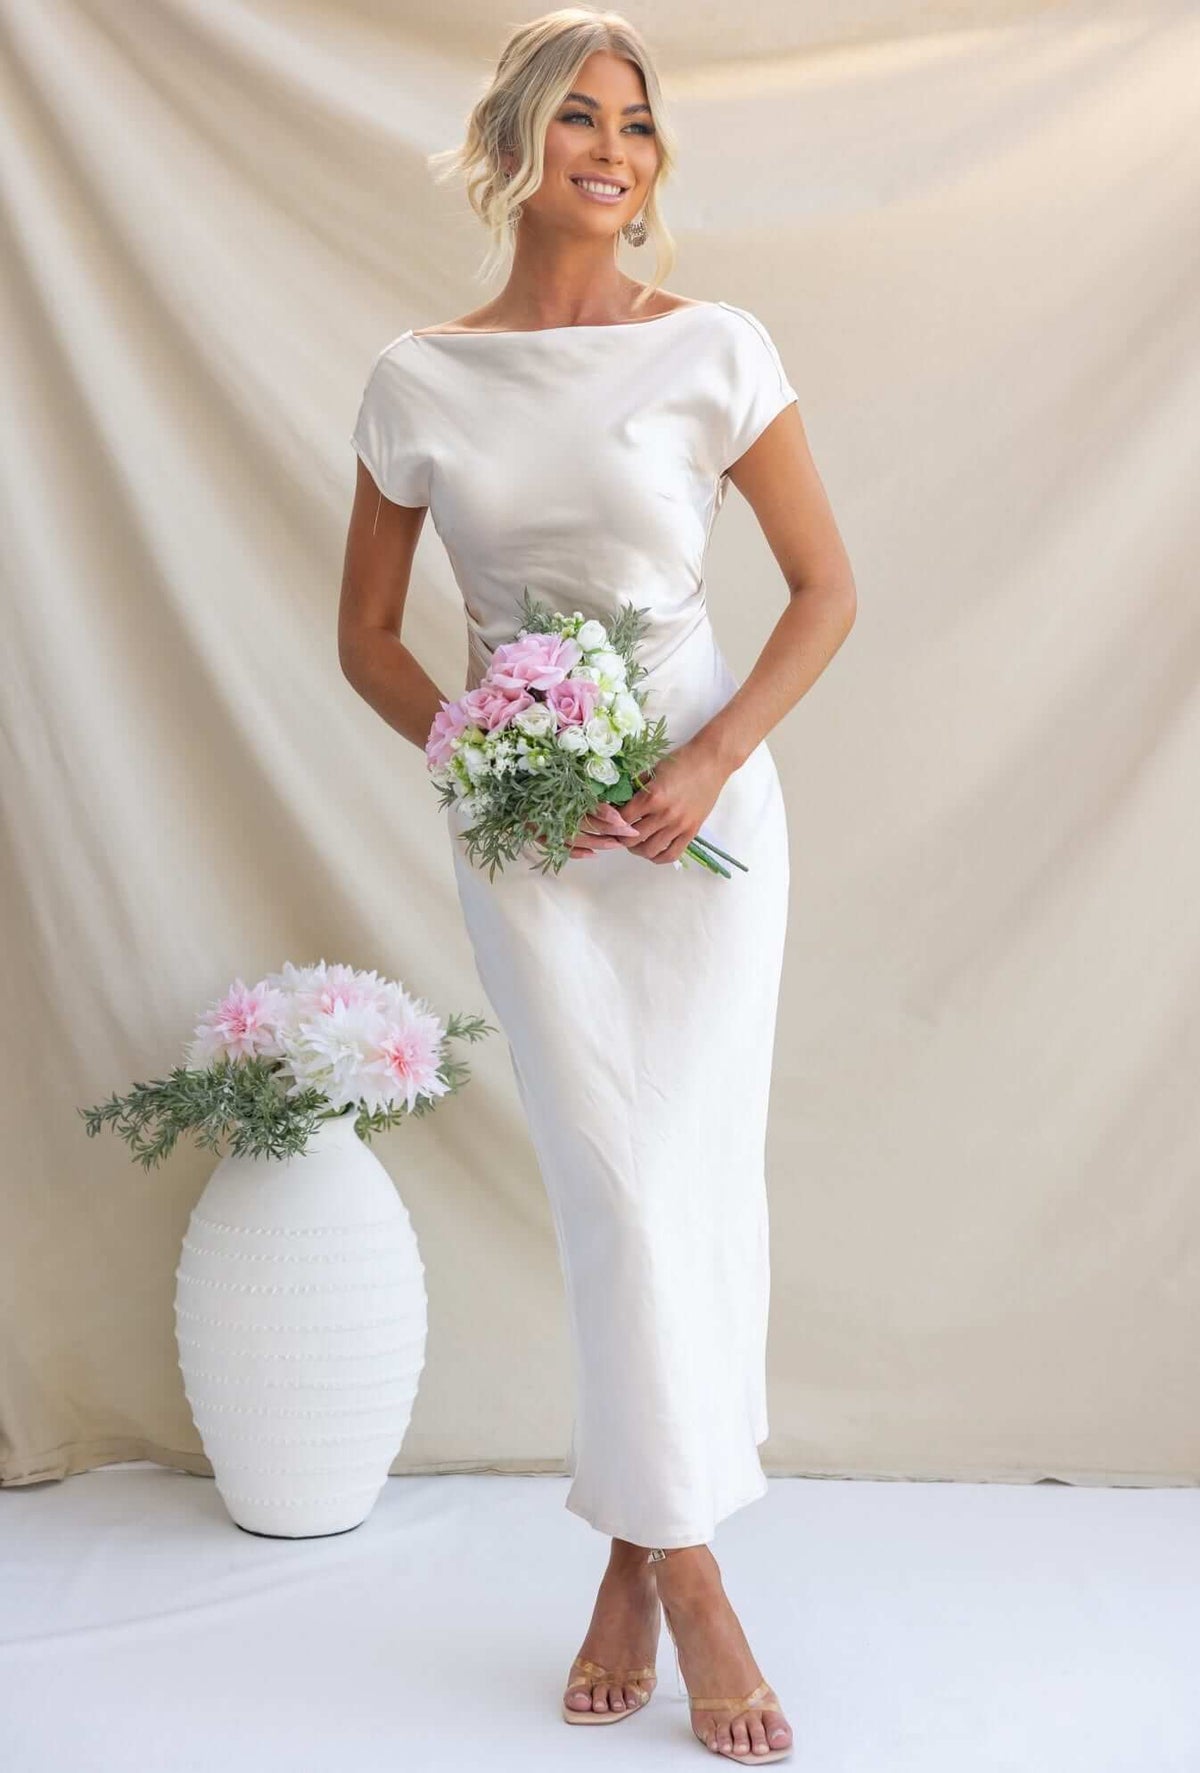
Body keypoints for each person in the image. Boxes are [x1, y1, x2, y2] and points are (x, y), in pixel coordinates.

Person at [339, 9, 855, 1763]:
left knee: (691, 1180)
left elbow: (823, 589)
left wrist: (704, 764)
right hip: (531, 843)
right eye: (578, 115)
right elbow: (364, 640)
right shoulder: (419, 374)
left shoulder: (715, 347)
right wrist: (483, 754)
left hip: (701, 831)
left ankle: (649, 1558)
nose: (615, 148)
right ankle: (689, 1559)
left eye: (637, 122)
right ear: (513, 143)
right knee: (615, 1189)